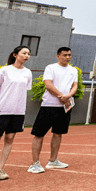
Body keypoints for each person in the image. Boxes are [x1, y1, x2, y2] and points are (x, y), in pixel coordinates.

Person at [0, 46, 32, 182]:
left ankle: (0, 168)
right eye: (24, 53)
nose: (27, 55)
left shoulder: (28, 72)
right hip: (1, 110)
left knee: (10, 138)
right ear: (15, 55)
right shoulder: (5, 70)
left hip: (18, 111)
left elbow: (23, 91)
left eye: (28, 53)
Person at [28, 47, 78, 175]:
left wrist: (68, 96)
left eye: (69, 55)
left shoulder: (73, 70)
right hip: (49, 105)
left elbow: (75, 86)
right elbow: (48, 85)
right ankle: (34, 163)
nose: (68, 57)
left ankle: (53, 160)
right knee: (39, 133)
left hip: (65, 107)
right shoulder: (51, 68)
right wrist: (62, 96)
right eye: (65, 55)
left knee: (58, 133)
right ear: (58, 56)